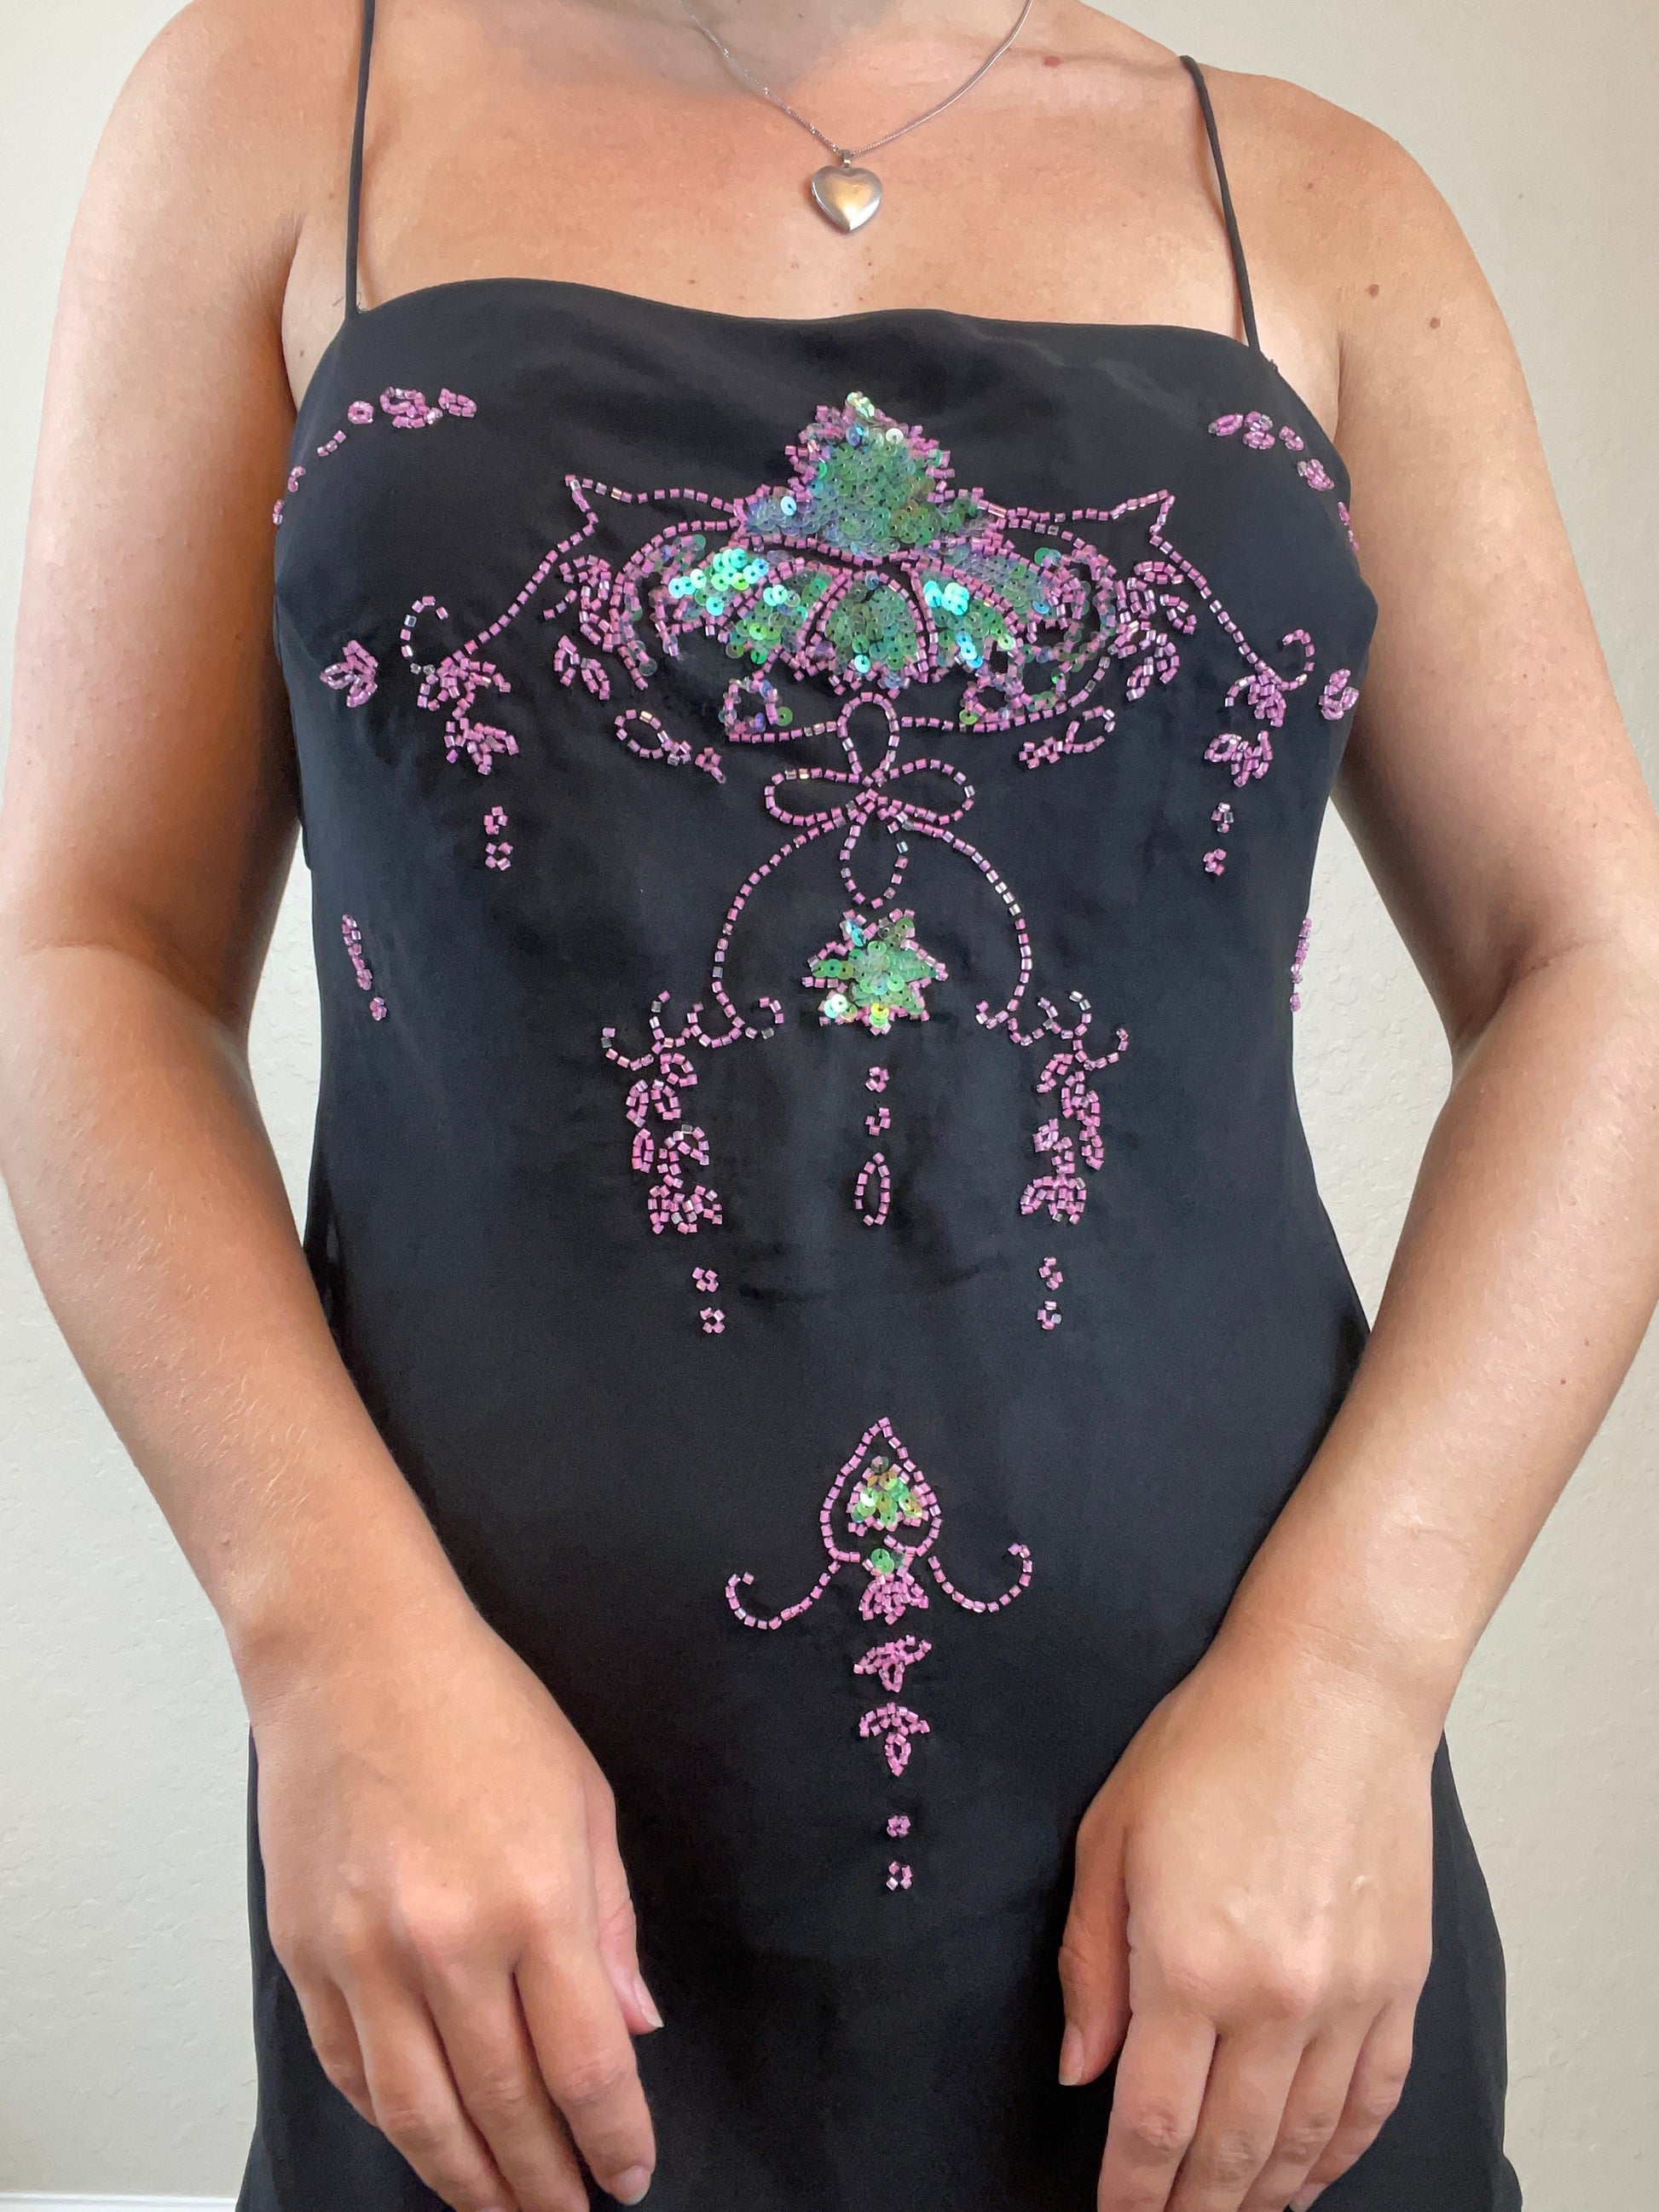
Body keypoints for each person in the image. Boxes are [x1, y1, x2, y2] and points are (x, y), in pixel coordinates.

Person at [3, 0, 1656, 2206]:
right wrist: (325, 1640)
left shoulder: (1313, 206)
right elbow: (89, 950)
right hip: (491, 1872)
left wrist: (1359, 1671)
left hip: (1233, 1877)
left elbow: (1599, 967)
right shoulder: (294, 101)